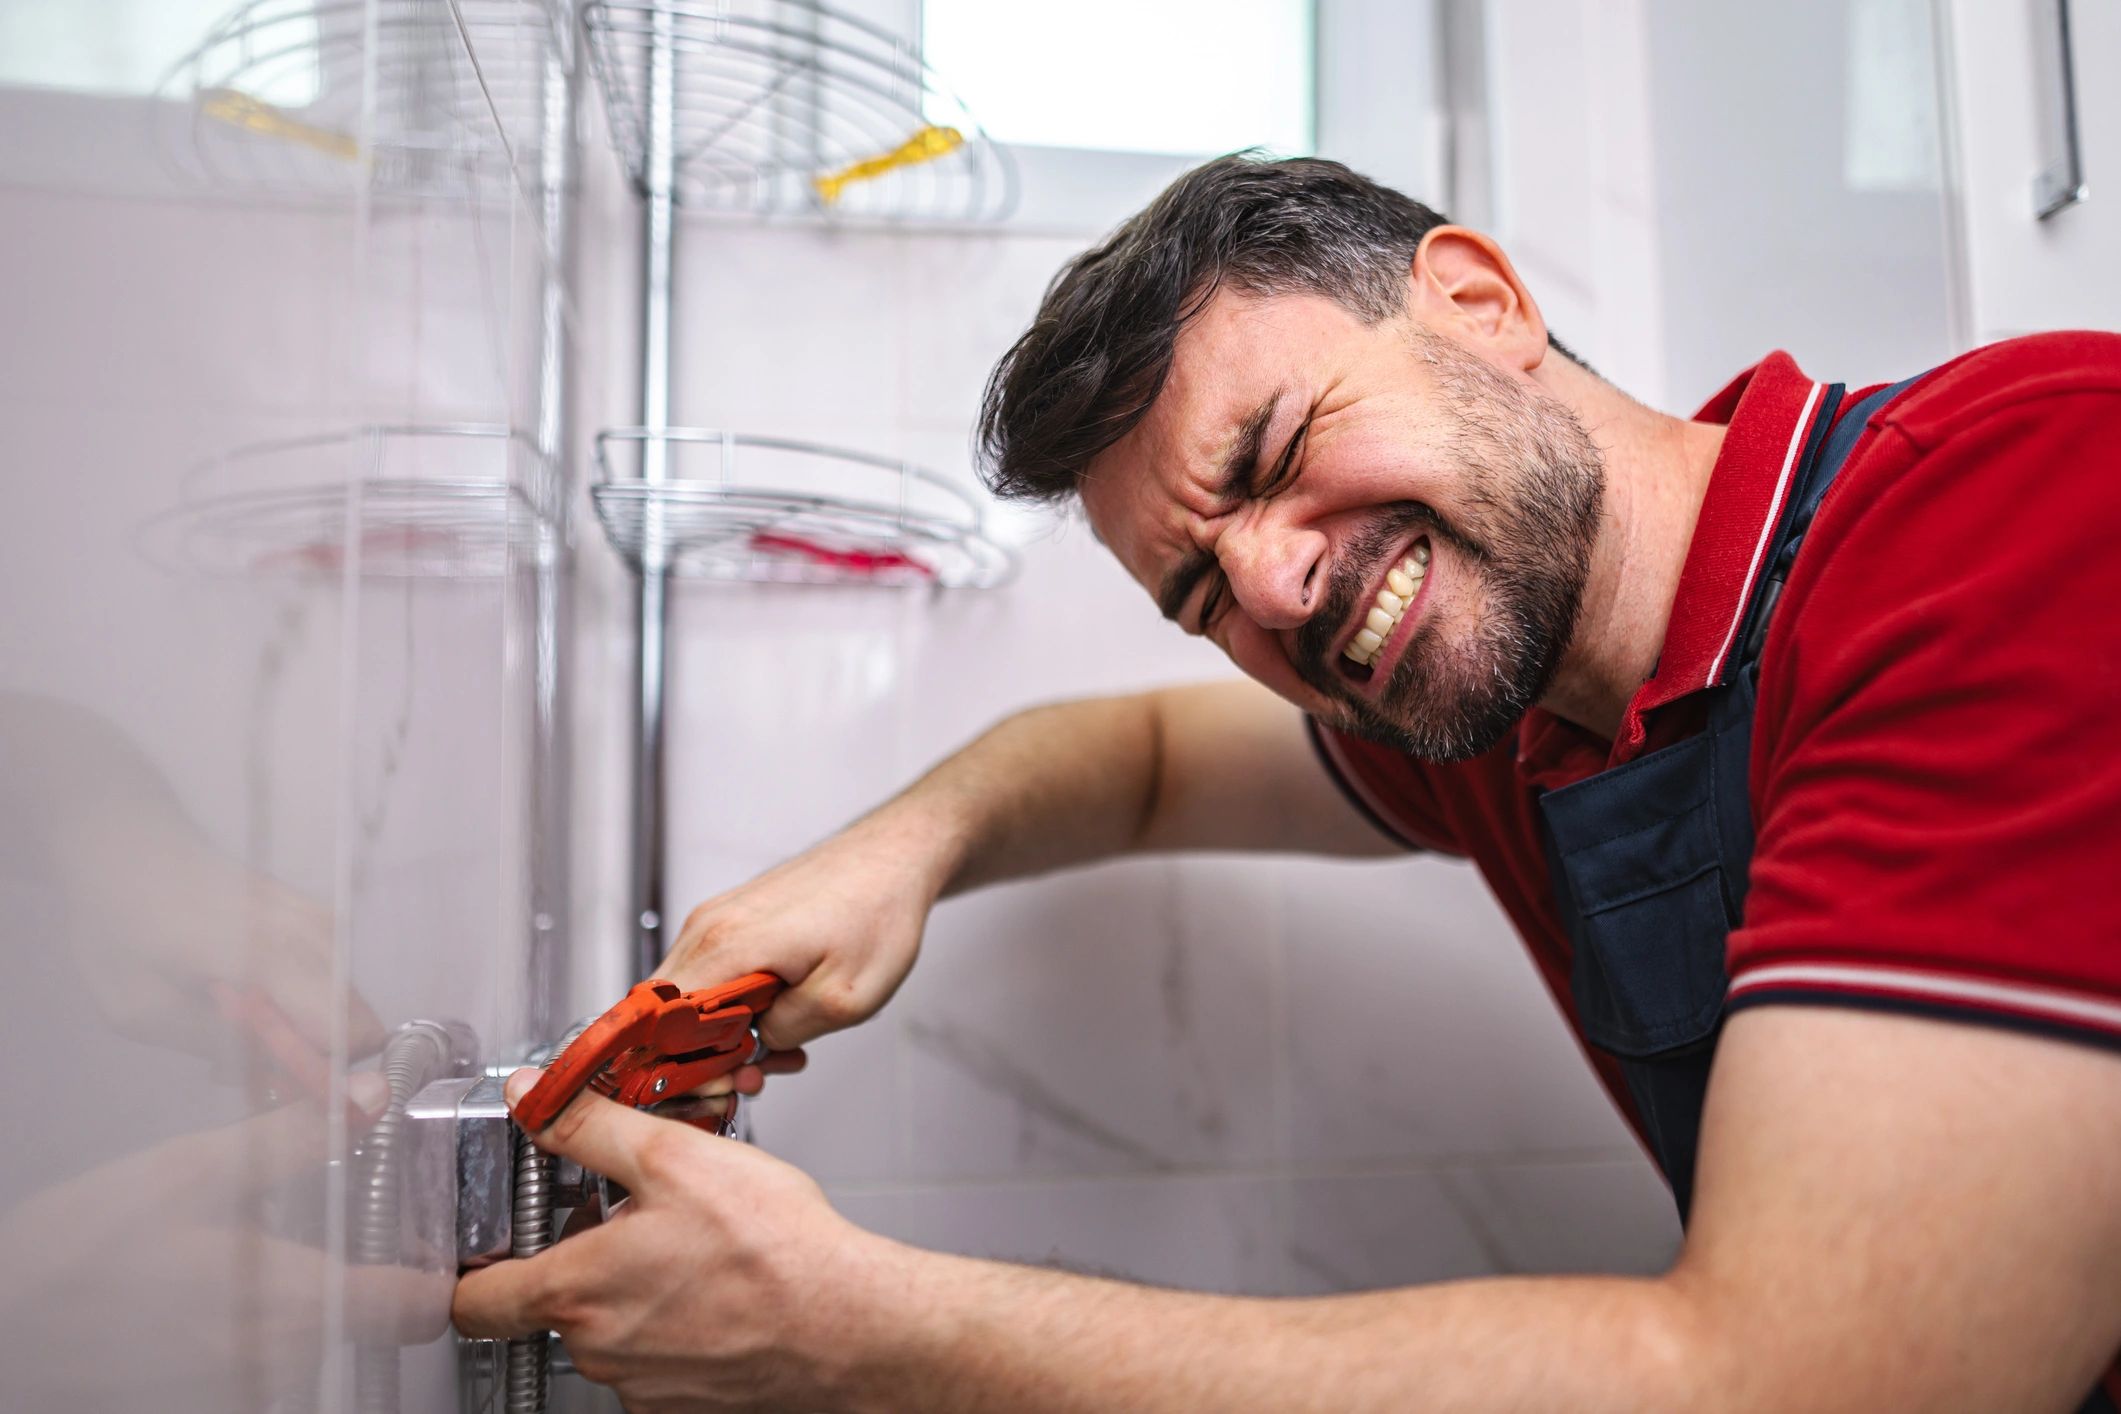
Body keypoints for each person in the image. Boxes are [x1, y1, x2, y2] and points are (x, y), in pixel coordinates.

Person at [454, 154, 2121, 1411]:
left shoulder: (2012, 498)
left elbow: (1810, 1380)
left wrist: (857, 1323)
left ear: (1479, 305)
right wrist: (901, 849)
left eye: (1270, 455)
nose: (1266, 595)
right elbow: (1148, 758)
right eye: (1197, 594)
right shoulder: (1518, 709)